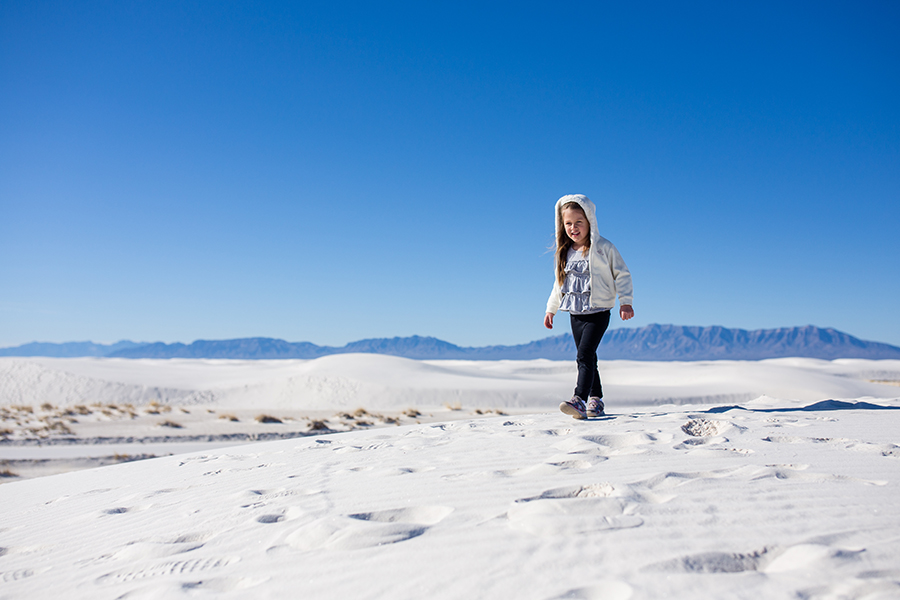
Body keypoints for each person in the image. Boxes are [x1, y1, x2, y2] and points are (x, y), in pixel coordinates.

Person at [544, 194, 634, 419]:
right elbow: (559, 284)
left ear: (589, 221)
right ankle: (597, 399)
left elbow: (622, 274)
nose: (573, 228)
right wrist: (551, 309)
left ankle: (579, 399)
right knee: (588, 357)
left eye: (578, 222)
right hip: (575, 313)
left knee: (584, 355)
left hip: (599, 311)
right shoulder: (565, 252)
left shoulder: (604, 248)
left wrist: (626, 302)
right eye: (568, 224)